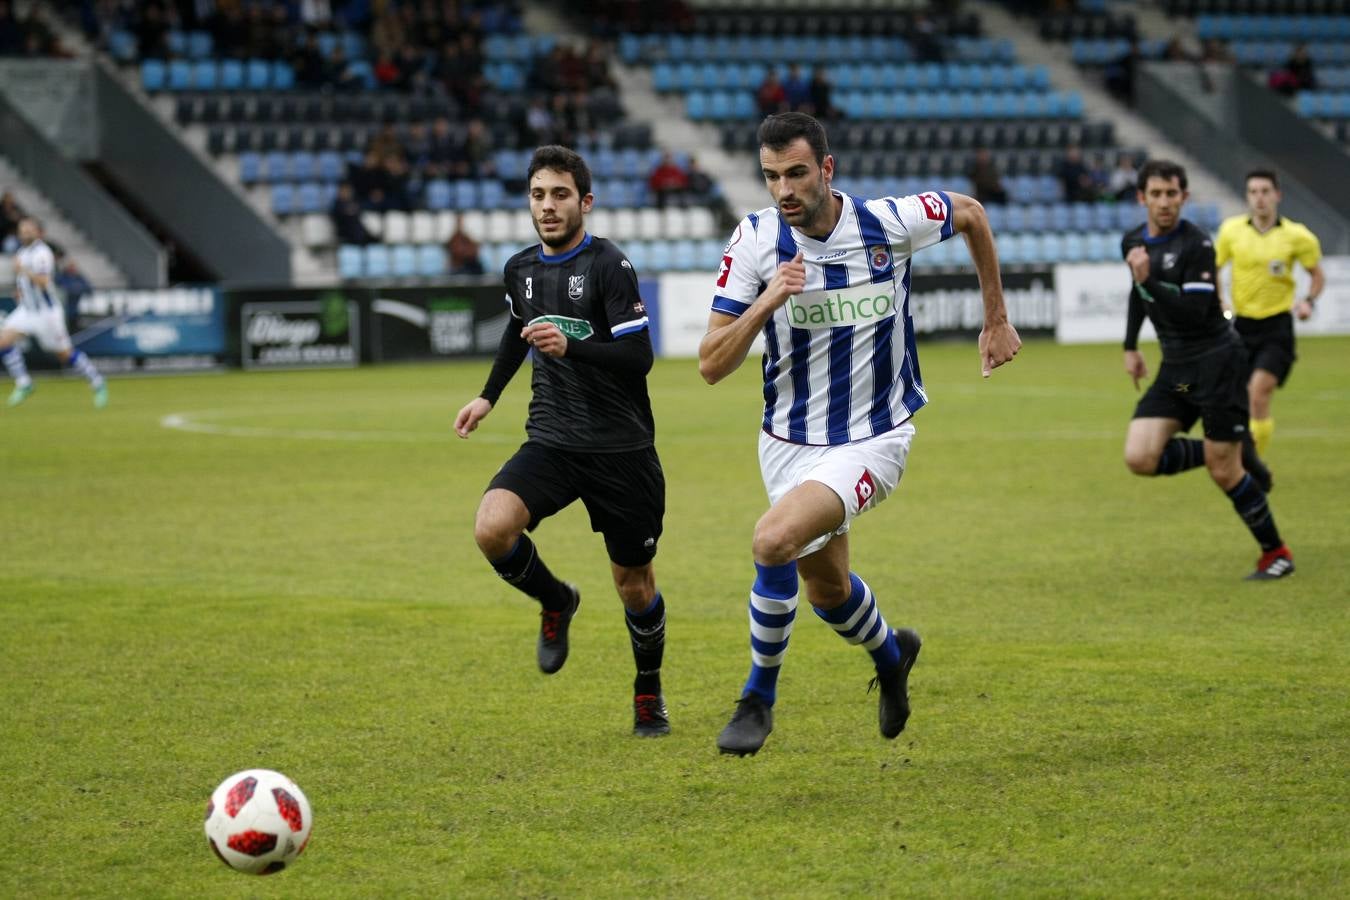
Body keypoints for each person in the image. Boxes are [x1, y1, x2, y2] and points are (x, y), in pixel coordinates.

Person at [698, 112, 1021, 756]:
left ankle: (757, 699)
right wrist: (767, 302)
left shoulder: (889, 223)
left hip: (875, 436)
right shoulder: (757, 240)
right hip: (787, 442)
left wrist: (996, 318)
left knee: (772, 540)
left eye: (795, 173)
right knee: (828, 590)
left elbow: (973, 214)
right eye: (770, 177)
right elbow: (711, 363)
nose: (783, 189)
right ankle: (892, 654)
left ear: (827, 169)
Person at [453, 146, 670, 737]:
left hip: (621, 450)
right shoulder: (520, 269)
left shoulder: (608, 267)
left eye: (560, 195)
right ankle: (556, 601)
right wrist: (488, 396)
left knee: (634, 585)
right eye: (538, 194)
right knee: (492, 527)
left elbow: (639, 356)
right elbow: (516, 333)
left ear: (585, 202)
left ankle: (647, 691)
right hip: (552, 439)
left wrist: (571, 346)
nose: (547, 206)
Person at [1119, 160, 1291, 581]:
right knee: (1139, 456)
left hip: (1218, 362)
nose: (1164, 202)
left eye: (1171, 194)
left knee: (1223, 472)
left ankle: (1277, 554)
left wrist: (1149, 280)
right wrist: (1129, 345)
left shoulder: (1198, 245)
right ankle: (1235, 446)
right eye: (1155, 194)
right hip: (1175, 366)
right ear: (1142, 198)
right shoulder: (1132, 241)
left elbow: (1196, 312)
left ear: (1184, 197)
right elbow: (1139, 291)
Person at [1214, 169, 1324, 457]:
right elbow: (1214, 269)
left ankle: (1252, 463)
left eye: (1265, 191)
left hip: (1277, 327)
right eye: (1253, 192)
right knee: (1238, 399)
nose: (1259, 198)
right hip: (1241, 326)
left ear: (1278, 195)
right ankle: (1246, 457)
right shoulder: (1231, 231)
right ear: (1247, 196)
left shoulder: (1298, 236)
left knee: (1258, 393)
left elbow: (1316, 275)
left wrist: (1308, 301)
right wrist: (1220, 300)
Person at [2, 217, 107, 408]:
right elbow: (25, 281)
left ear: (38, 232)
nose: (24, 233)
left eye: (28, 230)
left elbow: (43, 282)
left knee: (65, 355)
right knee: (2, 341)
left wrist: (23, 270)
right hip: (27, 310)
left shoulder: (42, 254)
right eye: (22, 230)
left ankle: (97, 381)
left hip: (47, 314)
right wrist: (20, 290)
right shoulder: (22, 252)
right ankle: (24, 383)